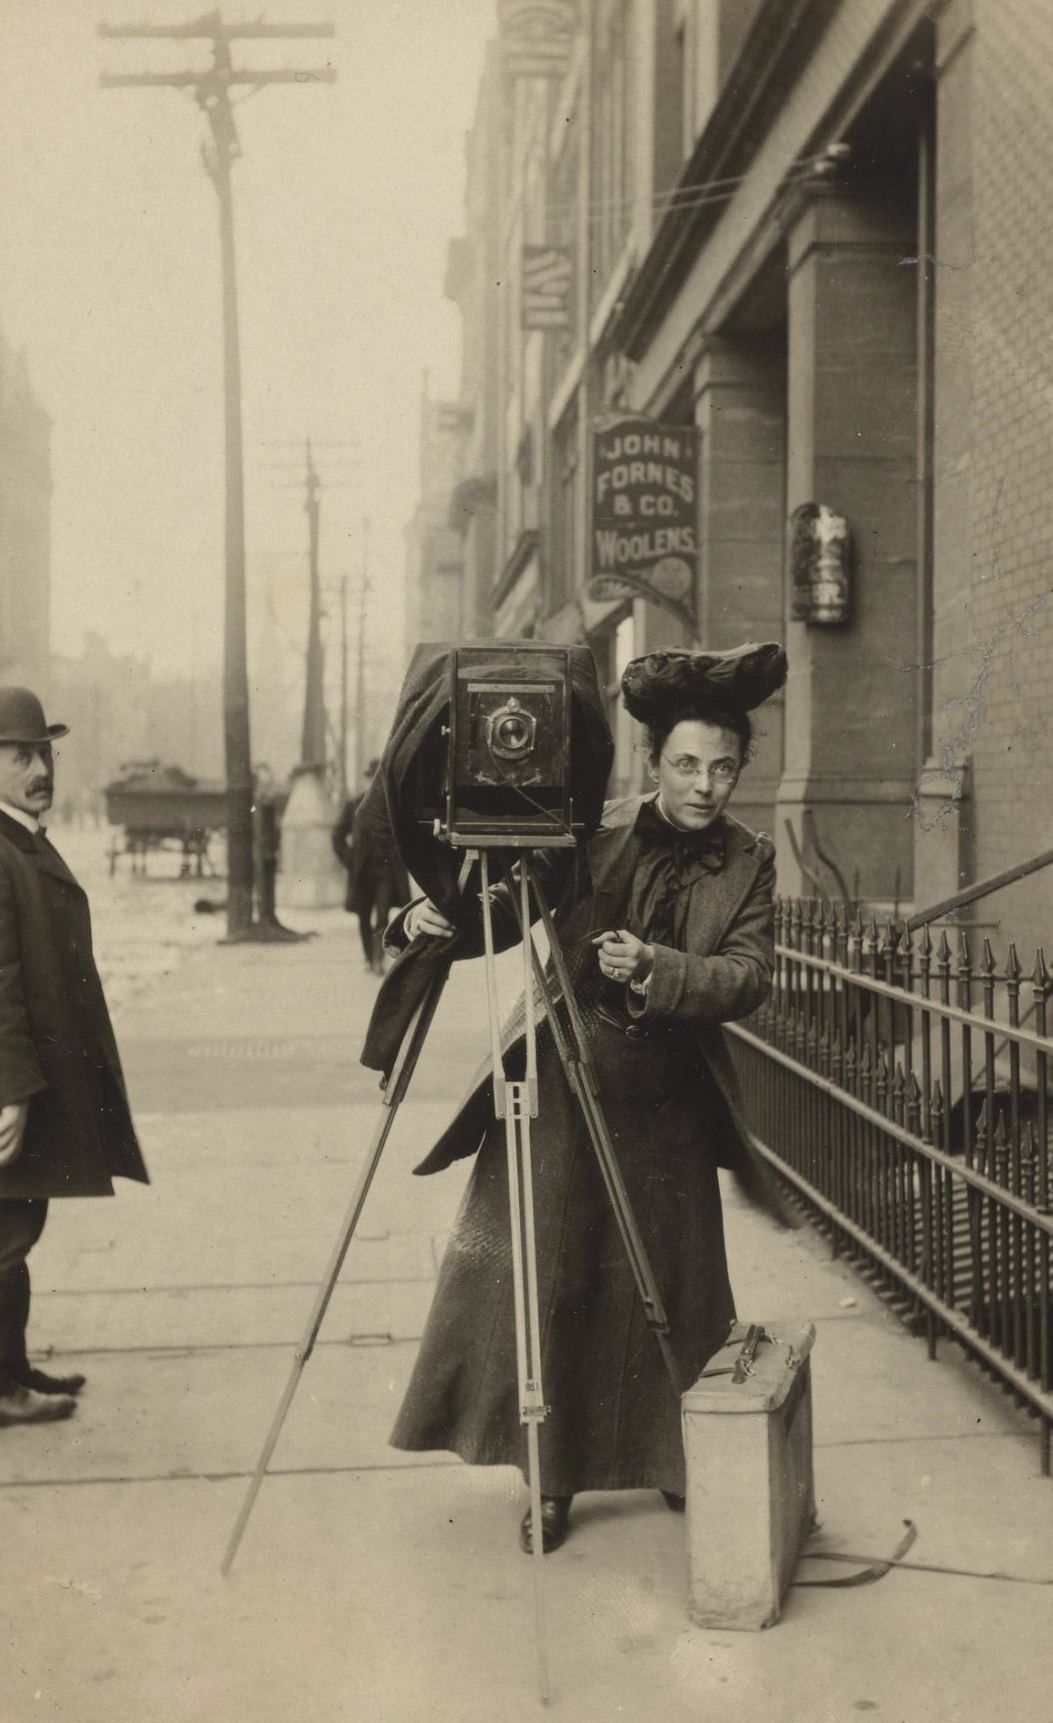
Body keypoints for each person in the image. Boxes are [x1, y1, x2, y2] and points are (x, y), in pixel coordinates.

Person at [386, 643, 790, 1553]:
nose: (704, 785)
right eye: (686, 764)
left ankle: (676, 1454)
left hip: (670, 1096)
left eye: (722, 767)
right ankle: (554, 1477)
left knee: (679, 1285)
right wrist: (424, 918)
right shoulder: (590, 832)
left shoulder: (748, 864)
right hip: (567, 1083)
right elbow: (495, 908)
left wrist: (661, 969)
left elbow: (746, 976)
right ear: (654, 762)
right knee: (555, 1281)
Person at [0, 686, 148, 1427]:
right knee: (6, 1236)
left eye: (44, 751)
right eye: (19, 754)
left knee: (19, 1226)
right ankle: (1, 1389)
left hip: (29, 1077)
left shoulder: (22, 837)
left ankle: (12, 1366)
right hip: (11, 1084)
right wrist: (11, 1090)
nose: (38, 767)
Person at [332, 759, 409, 974]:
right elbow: (337, 835)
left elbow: (406, 836)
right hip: (362, 873)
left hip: (386, 871)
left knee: (382, 915)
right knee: (363, 916)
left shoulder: (393, 807)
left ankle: (377, 960)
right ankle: (368, 957)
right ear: (367, 780)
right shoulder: (353, 805)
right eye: (371, 778)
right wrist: (349, 860)